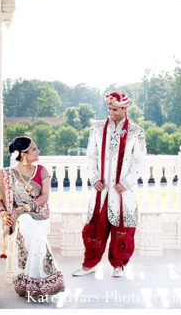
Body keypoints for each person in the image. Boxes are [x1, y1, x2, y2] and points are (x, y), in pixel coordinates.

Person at [72, 91, 146, 278]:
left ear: (124, 108)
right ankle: (90, 264)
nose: (111, 112)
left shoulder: (136, 132)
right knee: (95, 226)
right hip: (101, 189)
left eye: (115, 109)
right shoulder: (97, 128)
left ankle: (119, 265)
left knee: (123, 228)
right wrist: (95, 178)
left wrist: (126, 183)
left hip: (123, 191)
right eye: (109, 109)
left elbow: (140, 161)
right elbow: (91, 155)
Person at [0, 136, 65, 301]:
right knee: (24, 220)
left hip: (39, 215)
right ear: (24, 154)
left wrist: (28, 207)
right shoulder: (8, 175)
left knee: (27, 221)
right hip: (20, 218)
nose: (38, 151)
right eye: (34, 149)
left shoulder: (41, 171)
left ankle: (31, 284)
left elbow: (45, 196)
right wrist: (3, 213)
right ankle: (37, 283)